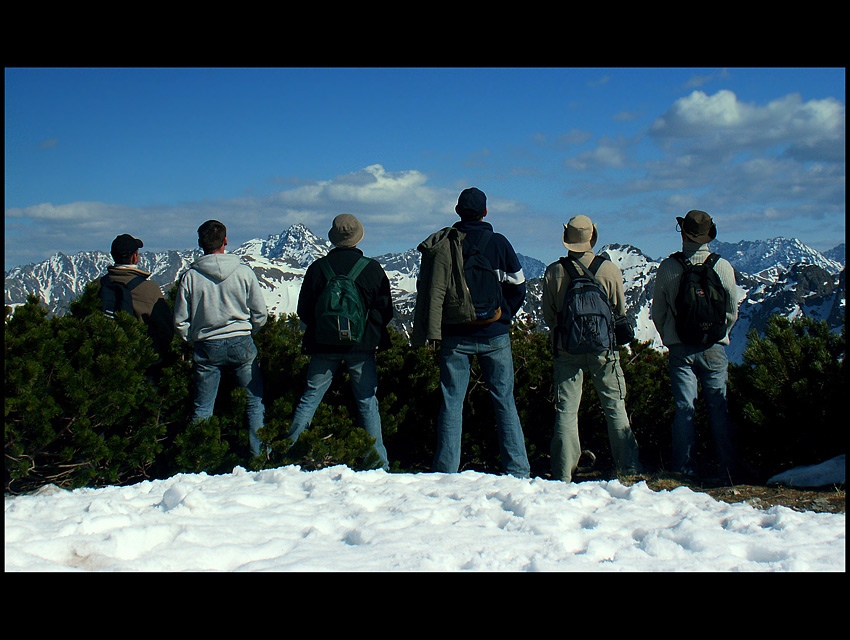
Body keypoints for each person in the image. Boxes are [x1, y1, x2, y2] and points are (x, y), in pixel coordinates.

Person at [415, 187, 530, 477]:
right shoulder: (499, 243)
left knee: (452, 403)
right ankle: (518, 470)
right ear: (486, 212)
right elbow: (518, 286)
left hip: (455, 336)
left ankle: (446, 471)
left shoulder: (445, 244)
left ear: (457, 211)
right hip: (495, 334)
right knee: (504, 400)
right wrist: (503, 314)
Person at [288, 214, 393, 470]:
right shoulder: (371, 269)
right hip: (361, 348)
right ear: (359, 237)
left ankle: (290, 454)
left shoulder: (317, 269)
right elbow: (385, 311)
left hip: (323, 346)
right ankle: (378, 463)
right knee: (367, 402)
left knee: (310, 397)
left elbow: (304, 311)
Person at [542, 215, 641, 482]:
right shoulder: (608, 269)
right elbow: (618, 311)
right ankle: (629, 469)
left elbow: (549, 317)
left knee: (566, 411)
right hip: (603, 350)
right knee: (614, 407)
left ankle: (563, 473)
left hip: (566, 349)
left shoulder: (554, 271)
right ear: (592, 237)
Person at [651, 209, 744, 480]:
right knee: (718, 405)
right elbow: (732, 310)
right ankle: (728, 467)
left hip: (681, 348)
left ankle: (683, 467)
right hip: (714, 347)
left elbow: (658, 312)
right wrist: (717, 333)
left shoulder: (669, 267)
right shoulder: (722, 266)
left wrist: (672, 337)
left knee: (684, 407)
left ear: (683, 233)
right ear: (708, 235)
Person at [173, 220, 268, 457]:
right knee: (254, 403)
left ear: (200, 243)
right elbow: (260, 313)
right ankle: (260, 456)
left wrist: (191, 338)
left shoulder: (191, 276)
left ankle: (198, 460)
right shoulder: (243, 271)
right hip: (241, 341)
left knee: (203, 407)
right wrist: (249, 331)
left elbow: (179, 320)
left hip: (206, 345)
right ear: (226, 240)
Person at [100, 234, 174, 364]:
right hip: (141, 363)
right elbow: (166, 330)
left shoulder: (98, 286)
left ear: (112, 256)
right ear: (135, 257)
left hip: (103, 362)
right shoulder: (149, 289)